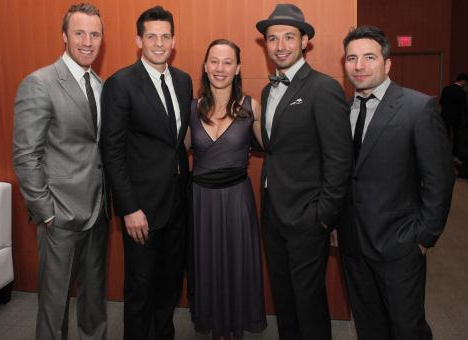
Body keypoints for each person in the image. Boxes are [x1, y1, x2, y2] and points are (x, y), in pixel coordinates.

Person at [338, 25, 455, 340]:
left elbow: (439, 179)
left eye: (369, 57)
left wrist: (424, 236)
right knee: (369, 326)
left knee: (407, 329)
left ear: (387, 64)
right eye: (352, 58)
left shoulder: (419, 107)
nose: (359, 66)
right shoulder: (340, 111)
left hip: (400, 244)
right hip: (353, 243)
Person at [255, 4, 353, 339]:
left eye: (288, 37)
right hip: (272, 214)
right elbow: (276, 147)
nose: (280, 45)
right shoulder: (269, 90)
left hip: (307, 217)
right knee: (283, 298)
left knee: (308, 301)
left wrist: (324, 216)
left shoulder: (323, 88)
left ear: (304, 41)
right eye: (272, 38)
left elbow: (340, 160)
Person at [12, 3, 109, 340]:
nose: (87, 41)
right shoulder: (39, 83)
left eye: (94, 34)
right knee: (54, 310)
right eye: (79, 33)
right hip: (60, 217)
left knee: (94, 304)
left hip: (99, 213)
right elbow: (26, 156)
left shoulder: (100, 84)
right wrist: (46, 214)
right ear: (64, 36)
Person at [100, 6, 192, 340]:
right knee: (140, 289)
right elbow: (111, 151)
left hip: (178, 205)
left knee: (169, 285)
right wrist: (128, 208)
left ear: (174, 40)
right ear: (139, 40)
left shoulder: (183, 81)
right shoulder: (120, 84)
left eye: (165, 36)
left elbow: (176, 143)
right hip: (141, 209)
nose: (158, 43)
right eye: (150, 36)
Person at [187, 39, 266, 339]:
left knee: (237, 265)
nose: (220, 68)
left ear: (238, 68)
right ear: (206, 67)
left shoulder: (251, 106)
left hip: (237, 200)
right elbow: (175, 152)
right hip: (201, 201)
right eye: (214, 61)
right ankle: (216, 327)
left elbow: (273, 147)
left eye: (227, 62)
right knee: (208, 266)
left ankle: (235, 329)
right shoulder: (191, 109)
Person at [440, 73, 468, 161]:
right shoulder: (462, 92)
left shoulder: (446, 89)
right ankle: (454, 155)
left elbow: (441, 102)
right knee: (456, 137)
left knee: (444, 136)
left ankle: (443, 154)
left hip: (445, 115)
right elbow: (464, 107)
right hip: (456, 117)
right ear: (463, 81)